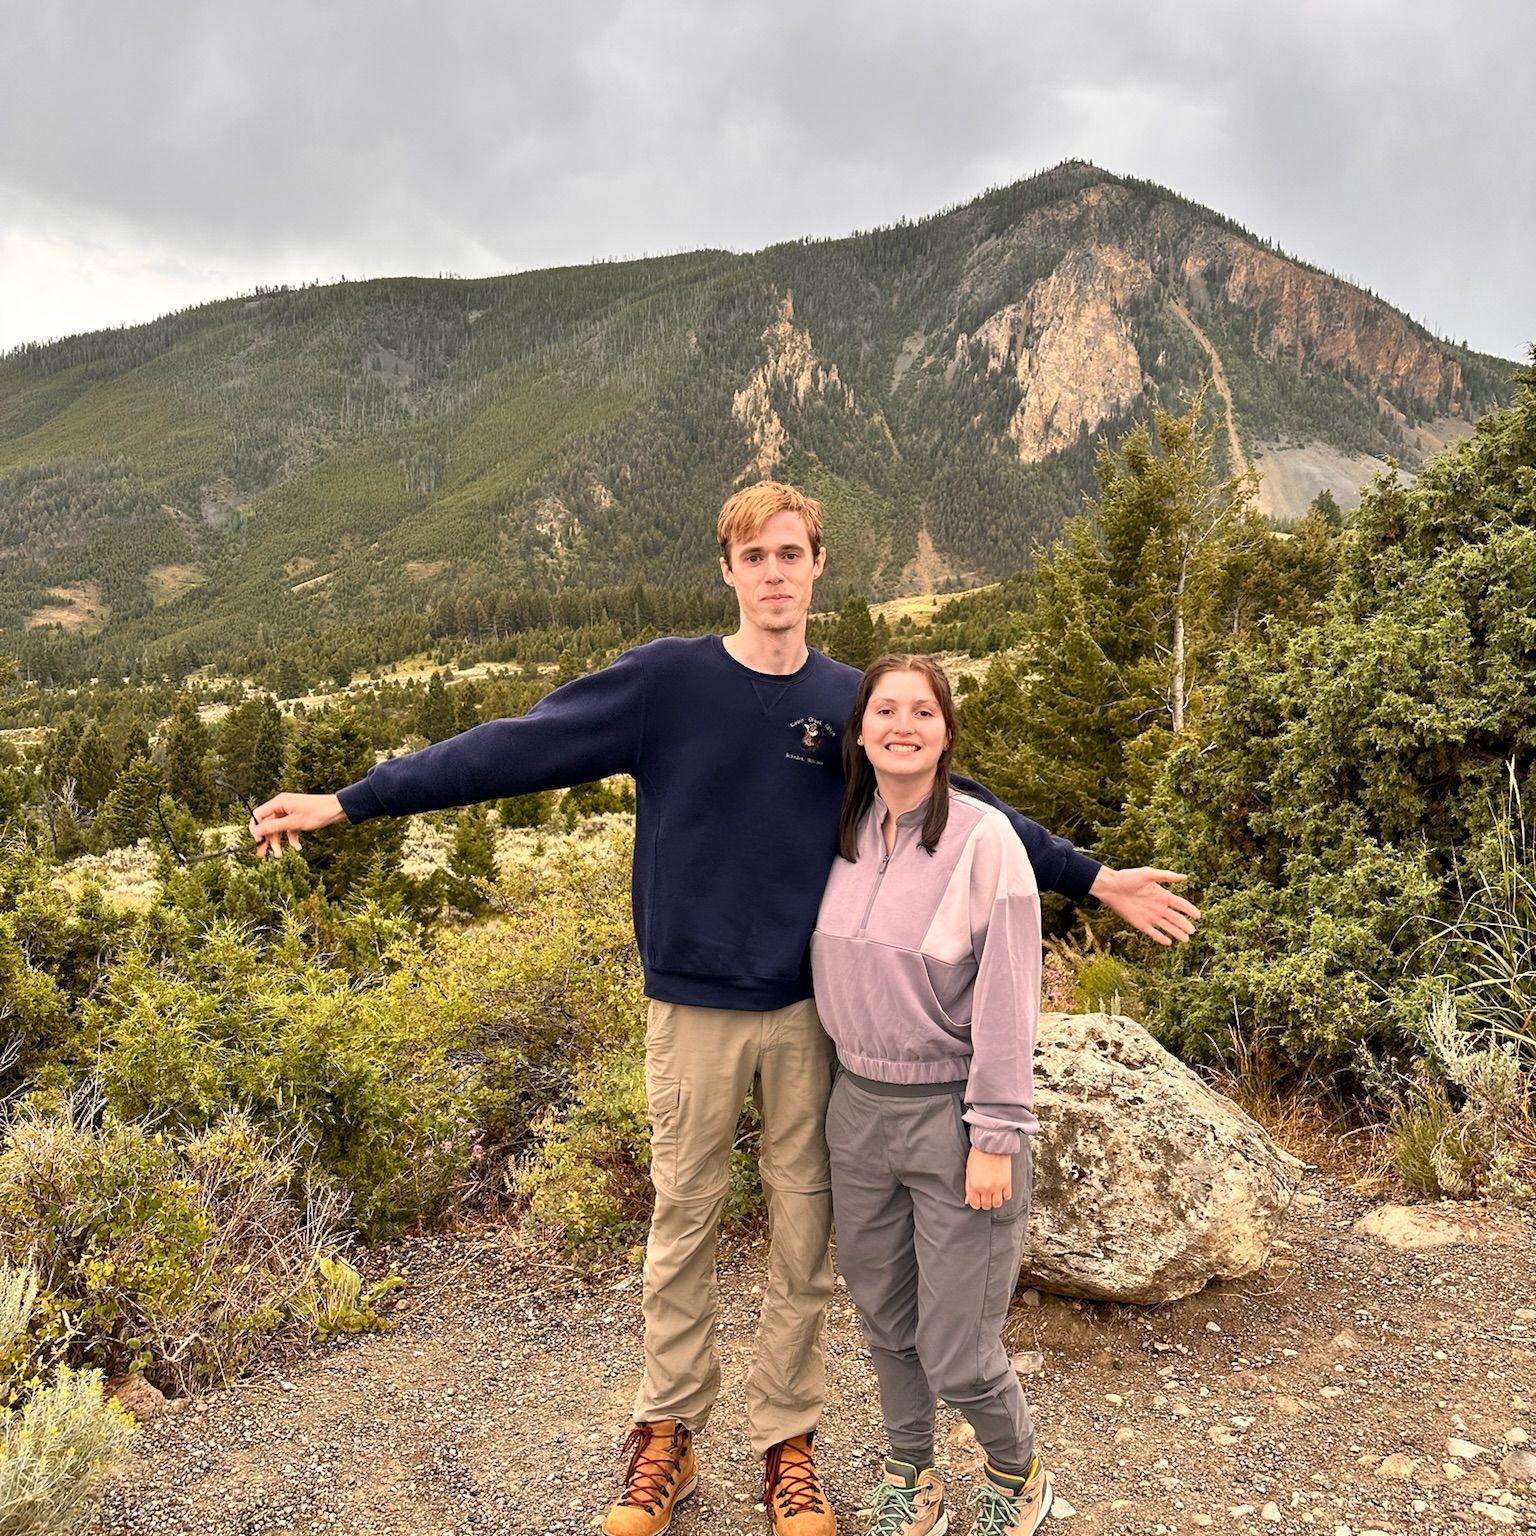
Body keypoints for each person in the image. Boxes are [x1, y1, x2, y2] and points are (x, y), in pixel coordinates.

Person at [249, 482, 1199, 1536]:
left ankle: (786, 1440)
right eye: (757, 558)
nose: (777, 573)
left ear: (819, 566)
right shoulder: (667, 681)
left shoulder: (850, 700)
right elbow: (510, 747)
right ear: (729, 571)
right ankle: (668, 1436)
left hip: (807, 1017)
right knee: (682, 1219)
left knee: (803, 1234)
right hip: (692, 1008)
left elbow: (953, 802)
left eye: (793, 554)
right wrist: (356, 799)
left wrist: (1091, 874)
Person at [813, 654, 1050, 1536]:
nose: (902, 724)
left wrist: (995, 1132)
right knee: (884, 1317)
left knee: (958, 1348)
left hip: (954, 1118)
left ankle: (1016, 1469)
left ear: (946, 731)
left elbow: (1007, 997)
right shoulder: (846, 829)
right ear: (862, 729)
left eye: (922, 711)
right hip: (856, 1108)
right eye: (885, 710)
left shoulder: (987, 841)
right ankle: (912, 1471)